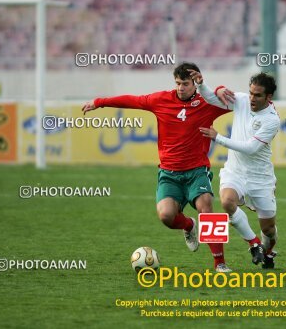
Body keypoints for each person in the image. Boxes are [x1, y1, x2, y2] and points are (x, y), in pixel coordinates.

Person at [81, 62, 232, 272]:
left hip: (197, 170)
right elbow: (132, 101)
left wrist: (219, 88)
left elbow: (235, 102)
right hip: (169, 174)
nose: (180, 87)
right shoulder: (161, 100)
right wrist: (100, 102)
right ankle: (188, 226)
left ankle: (220, 263)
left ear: (195, 83)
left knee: (206, 206)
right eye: (178, 83)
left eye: (185, 83)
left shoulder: (207, 103)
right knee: (166, 216)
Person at [190, 69, 281, 269]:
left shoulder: (271, 120)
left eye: (257, 95)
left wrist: (218, 137)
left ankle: (267, 251)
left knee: (269, 230)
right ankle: (253, 243)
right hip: (235, 171)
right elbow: (213, 99)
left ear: (268, 97)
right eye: (250, 93)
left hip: (260, 178)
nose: (252, 98)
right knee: (227, 201)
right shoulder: (241, 100)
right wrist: (201, 85)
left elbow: (250, 148)